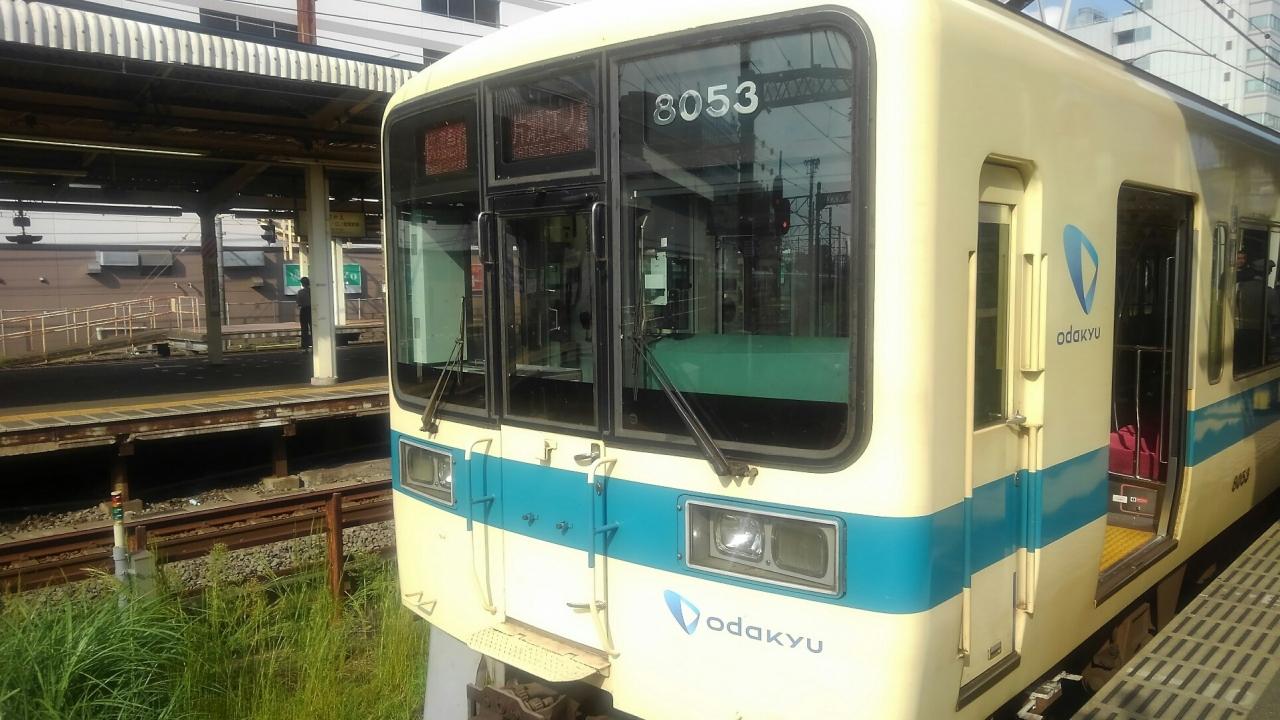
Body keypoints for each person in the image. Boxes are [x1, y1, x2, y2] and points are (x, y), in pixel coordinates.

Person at [297, 276, 312, 350]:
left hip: (304, 310)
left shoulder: (300, 292)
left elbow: (299, 303)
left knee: (304, 329)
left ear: (302, 284)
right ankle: (315, 344)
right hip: (312, 310)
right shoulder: (313, 291)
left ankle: (305, 346)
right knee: (313, 328)